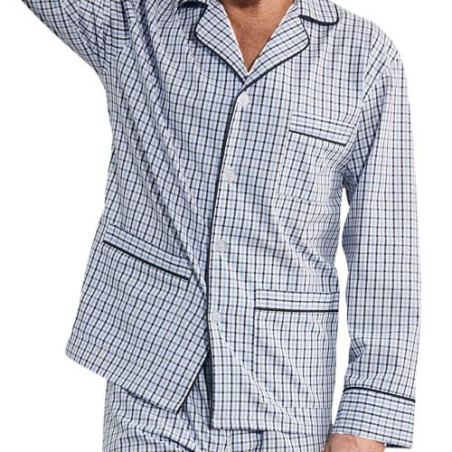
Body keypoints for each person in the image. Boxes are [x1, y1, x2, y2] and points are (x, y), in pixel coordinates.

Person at [20, 0, 421, 451]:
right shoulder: (134, 22)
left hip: (283, 401)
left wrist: (364, 426)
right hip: (150, 393)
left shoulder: (365, 56)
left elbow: (386, 250)